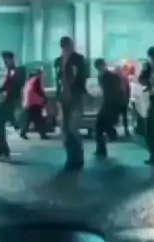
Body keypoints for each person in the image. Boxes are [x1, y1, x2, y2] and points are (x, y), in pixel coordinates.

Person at [54, 36, 89, 171]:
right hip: (63, 97)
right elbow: (57, 79)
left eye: (69, 46)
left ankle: (78, 157)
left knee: (73, 127)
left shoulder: (78, 59)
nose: (68, 48)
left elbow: (83, 76)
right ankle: (70, 157)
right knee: (65, 129)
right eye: (65, 46)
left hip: (75, 96)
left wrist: (80, 90)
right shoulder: (58, 61)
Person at [94, 58, 126, 158]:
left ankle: (104, 144)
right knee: (100, 126)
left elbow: (117, 92)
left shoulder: (110, 77)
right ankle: (102, 147)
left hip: (112, 105)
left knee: (100, 125)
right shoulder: (104, 77)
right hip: (109, 104)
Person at [20, 68, 49, 140]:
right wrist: (44, 97)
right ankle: (42, 134)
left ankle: (23, 132)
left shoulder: (29, 81)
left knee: (30, 119)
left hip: (28, 102)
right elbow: (37, 89)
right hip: (35, 102)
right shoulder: (37, 79)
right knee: (39, 119)